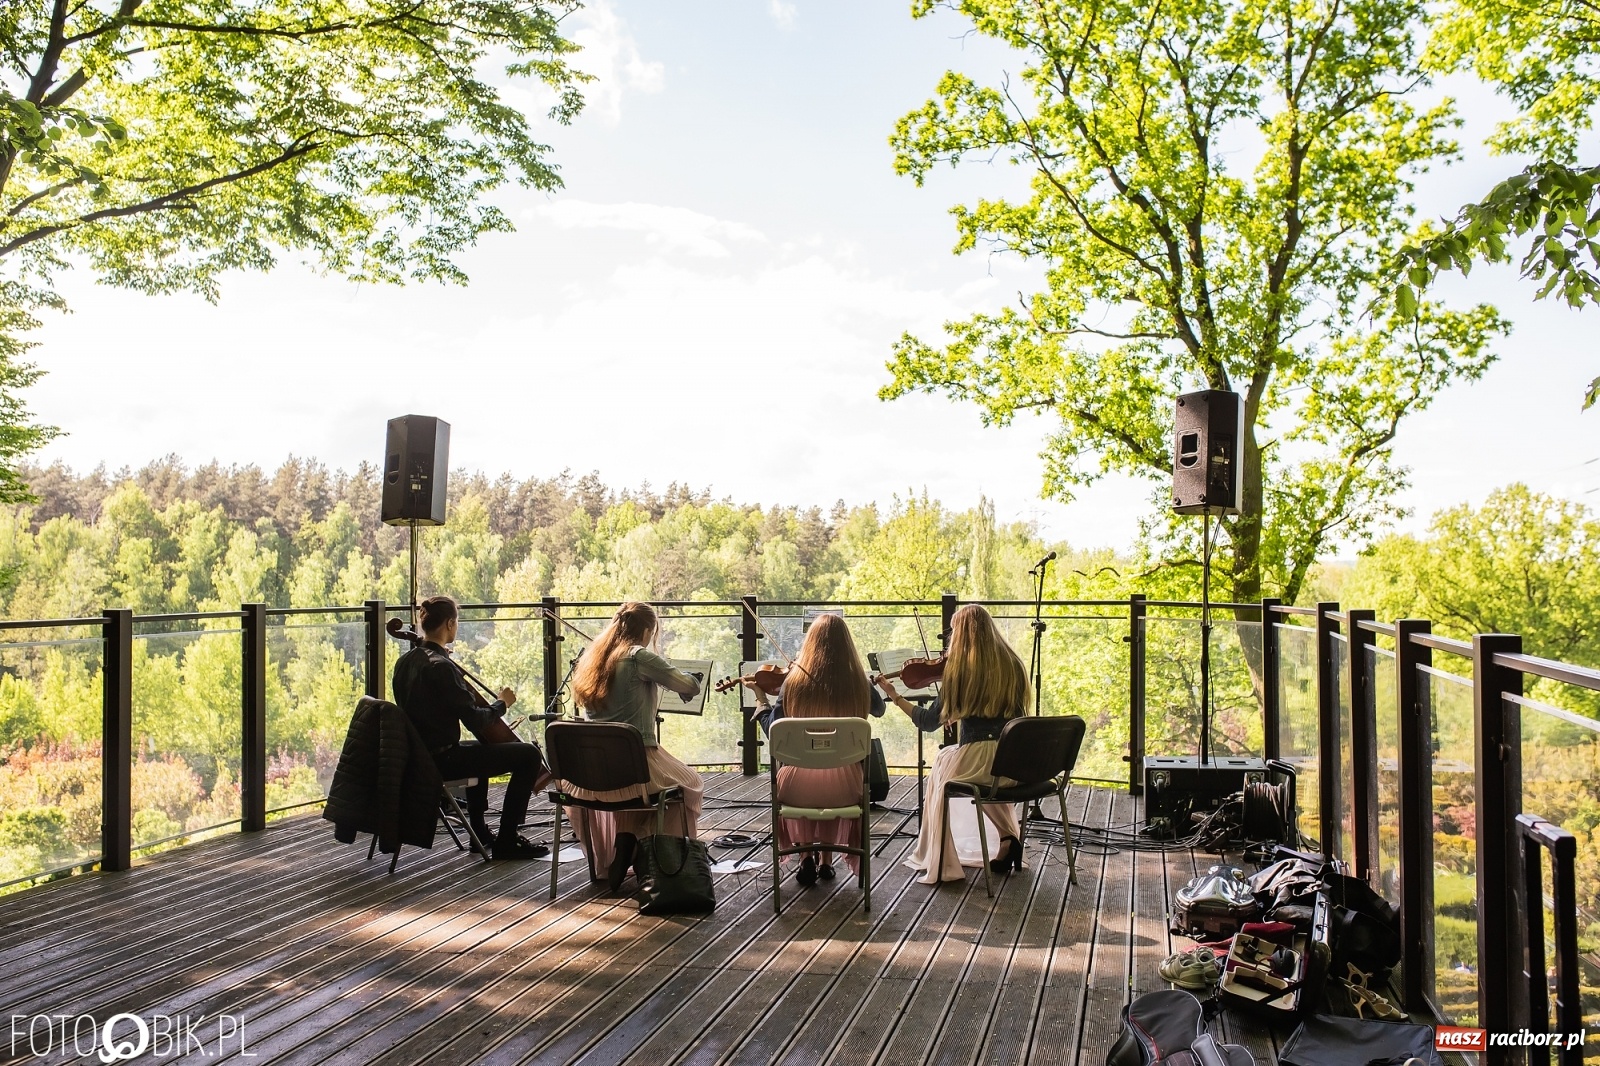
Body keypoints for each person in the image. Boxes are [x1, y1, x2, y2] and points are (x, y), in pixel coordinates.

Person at [876, 603, 1028, 885]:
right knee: (969, 768)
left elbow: (927, 721)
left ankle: (944, 857)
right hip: (1017, 760)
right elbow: (1005, 712)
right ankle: (1008, 838)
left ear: (962, 636)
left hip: (984, 761)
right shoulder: (1013, 664)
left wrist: (895, 696)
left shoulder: (960, 671)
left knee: (943, 766)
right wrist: (963, 710)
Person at [391, 595, 551, 859]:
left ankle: (479, 832)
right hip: (442, 761)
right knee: (529, 755)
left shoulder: (405, 662)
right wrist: (501, 704)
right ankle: (507, 840)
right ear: (450, 624)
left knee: (481, 747)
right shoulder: (441, 667)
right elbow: (475, 720)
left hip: (418, 757)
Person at [567, 601, 705, 892]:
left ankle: (626, 840)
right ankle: (652, 855)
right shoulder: (638, 656)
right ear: (646, 630)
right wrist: (691, 678)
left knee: (639, 789)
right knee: (689, 785)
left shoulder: (594, 659)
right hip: (635, 760)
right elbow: (689, 686)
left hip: (592, 773)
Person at [744, 614, 884, 886]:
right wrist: (867, 683)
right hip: (847, 787)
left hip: (796, 787)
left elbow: (774, 732)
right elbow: (878, 710)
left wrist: (761, 699)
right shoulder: (859, 682)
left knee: (807, 774)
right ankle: (826, 862)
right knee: (831, 774)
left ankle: (806, 856)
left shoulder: (793, 681)